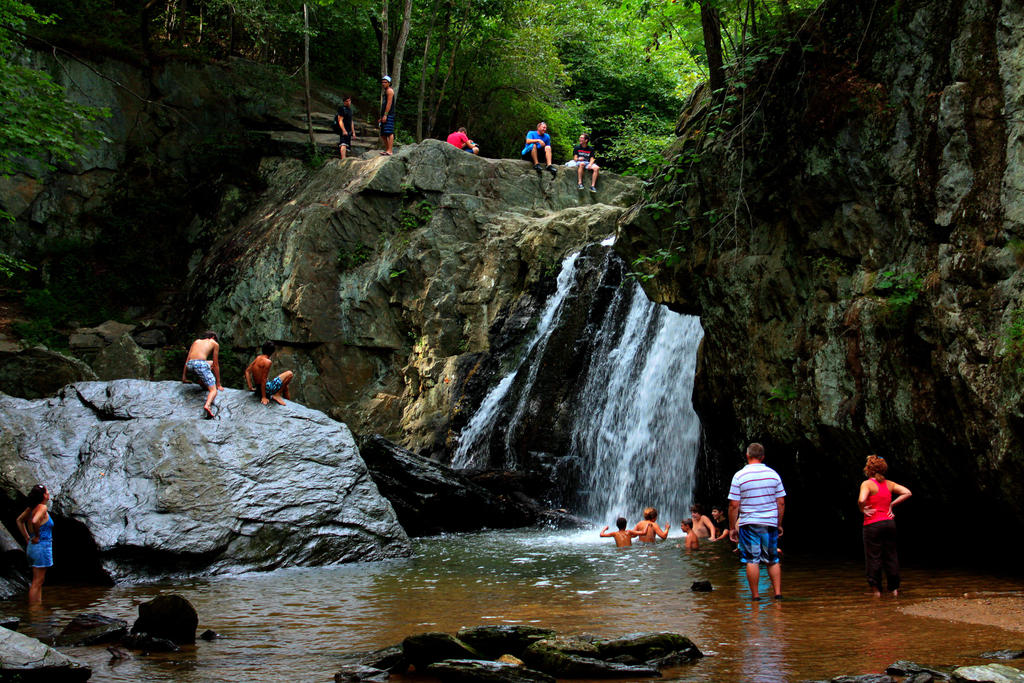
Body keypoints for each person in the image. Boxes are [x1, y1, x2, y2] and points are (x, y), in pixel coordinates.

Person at [728, 443, 786, 600]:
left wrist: (732, 528)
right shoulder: (773, 475)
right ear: (763, 457)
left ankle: (755, 596)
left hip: (749, 523)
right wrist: (778, 523)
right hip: (769, 522)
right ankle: (778, 594)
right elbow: (781, 502)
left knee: (752, 560)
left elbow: (734, 505)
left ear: (747, 455)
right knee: (772, 559)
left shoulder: (739, 476)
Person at [858, 454, 911, 597]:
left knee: (873, 556)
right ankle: (894, 589)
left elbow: (862, 499)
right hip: (889, 523)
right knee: (890, 555)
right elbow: (907, 492)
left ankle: (876, 591)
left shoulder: (867, 484)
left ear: (868, 469)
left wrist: (862, 509)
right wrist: (891, 505)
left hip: (872, 524)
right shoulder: (889, 484)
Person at [16, 484, 52, 605]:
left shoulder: (31, 508)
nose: (48, 493)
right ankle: (34, 611)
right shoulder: (42, 507)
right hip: (41, 546)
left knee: (38, 581)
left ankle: (37, 607)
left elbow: (19, 521)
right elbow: (35, 521)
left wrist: (27, 536)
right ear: (43, 495)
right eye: (47, 492)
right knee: (37, 582)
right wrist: (37, 536)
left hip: (32, 547)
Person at [182, 331, 223, 418]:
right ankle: (207, 405)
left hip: (190, 365)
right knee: (213, 390)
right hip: (200, 365)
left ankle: (202, 381)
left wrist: (184, 377)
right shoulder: (214, 343)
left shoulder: (196, 341)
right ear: (213, 337)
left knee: (210, 363)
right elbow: (216, 364)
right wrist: (218, 384)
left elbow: (188, 359)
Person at [245, 341, 295, 406]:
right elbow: (263, 380)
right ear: (272, 352)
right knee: (290, 374)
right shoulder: (267, 362)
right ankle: (277, 395)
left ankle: (289, 404)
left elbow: (247, 371)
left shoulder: (258, 358)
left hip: (258, 388)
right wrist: (264, 397)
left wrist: (250, 387)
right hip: (267, 389)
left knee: (285, 386)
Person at [378, 76, 395, 156]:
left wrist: (386, 115)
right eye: (383, 82)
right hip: (384, 115)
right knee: (383, 134)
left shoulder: (390, 91)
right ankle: (387, 149)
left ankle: (390, 150)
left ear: (389, 83)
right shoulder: (385, 92)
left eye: (385, 82)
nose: (383, 84)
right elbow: (384, 105)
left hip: (389, 114)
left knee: (389, 132)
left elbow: (389, 103)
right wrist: (381, 117)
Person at [336, 95, 355, 159]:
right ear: (344, 102)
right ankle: (343, 158)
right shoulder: (341, 109)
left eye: (349, 101)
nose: (348, 102)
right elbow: (340, 120)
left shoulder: (350, 110)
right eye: (347, 101)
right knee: (343, 143)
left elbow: (351, 121)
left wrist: (353, 131)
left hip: (349, 129)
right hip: (343, 128)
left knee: (347, 143)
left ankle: (345, 157)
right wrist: (344, 130)